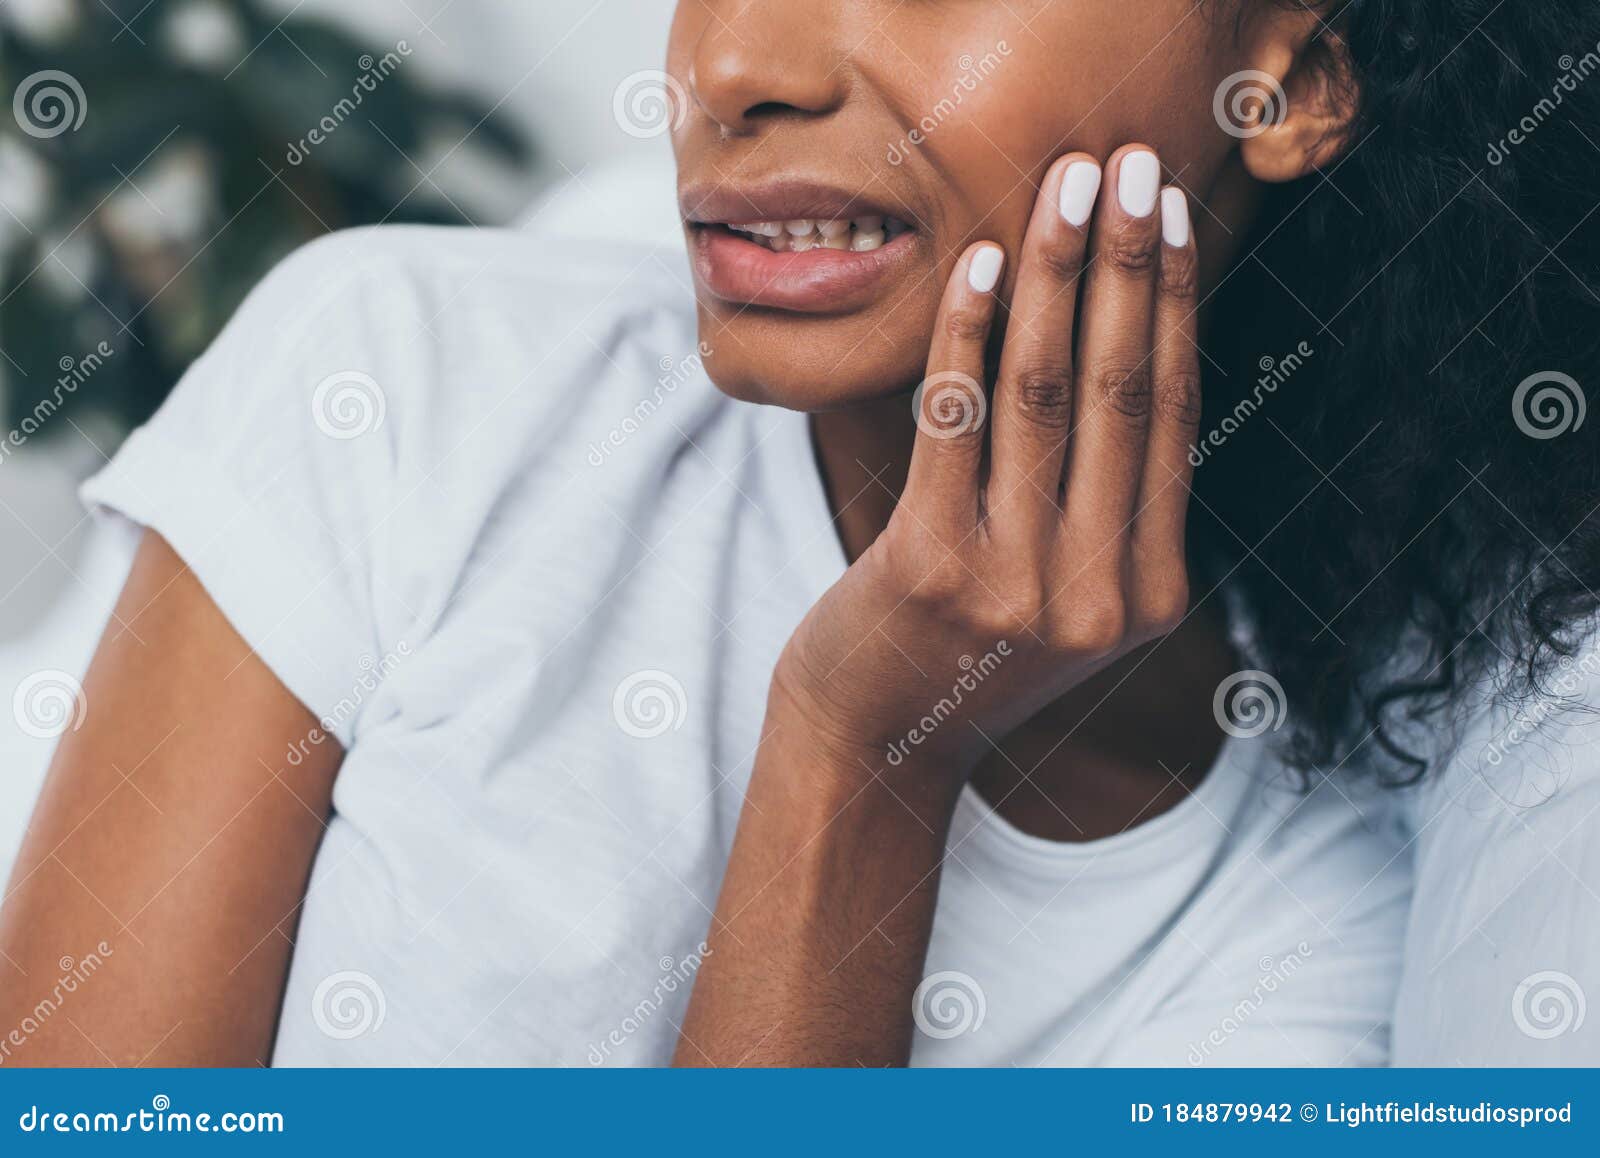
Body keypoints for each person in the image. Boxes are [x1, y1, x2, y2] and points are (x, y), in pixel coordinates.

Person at [1, 0, 1595, 1067]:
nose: (732, 64)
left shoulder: (1286, 949)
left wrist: (868, 761)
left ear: (1293, 83)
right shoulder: (397, 384)